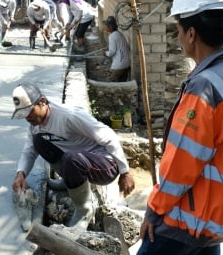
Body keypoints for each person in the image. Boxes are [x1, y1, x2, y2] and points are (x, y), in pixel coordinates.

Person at [137, 0, 223, 255]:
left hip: (184, 225)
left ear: (191, 33)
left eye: (178, 31)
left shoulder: (204, 89)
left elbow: (181, 166)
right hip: (216, 221)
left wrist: (153, 211)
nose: (179, 38)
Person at [10, 82, 135, 231]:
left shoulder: (69, 116)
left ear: (42, 102)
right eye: (24, 115)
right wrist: (21, 173)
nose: (27, 118)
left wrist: (125, 172)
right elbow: (29, 150)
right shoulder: (35, 125)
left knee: (72, 159)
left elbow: (108, 136)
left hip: (104, 164)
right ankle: (69, 182)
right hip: (78, 160)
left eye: (30, 112)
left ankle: (84, 210)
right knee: (39, 142)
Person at [102, 16, 131, 82]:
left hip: (119, 65)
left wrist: (105, 53)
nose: (105, 27)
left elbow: (111, 52)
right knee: (122, 83)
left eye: (106, 25)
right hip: (127, 63)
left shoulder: (112, 36)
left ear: (110, 27)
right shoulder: (119, 34)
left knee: (110, 83)